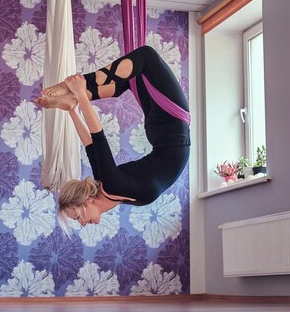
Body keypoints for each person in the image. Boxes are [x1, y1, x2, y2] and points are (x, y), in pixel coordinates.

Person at [35, 45, 190, 233]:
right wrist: (72, 110)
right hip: (164, 127)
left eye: (77, 217)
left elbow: (96, 139)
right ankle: (71, 98)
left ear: (86, 200)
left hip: (170, 122)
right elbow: (90, 144)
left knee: (145, 58)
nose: (82, 223)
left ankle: (74, 88)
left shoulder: (109, 184)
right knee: (130, 78)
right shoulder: (110, 189)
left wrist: (81, 96)